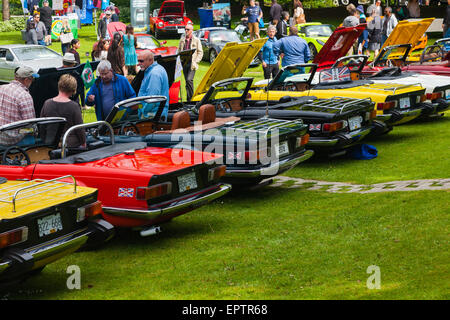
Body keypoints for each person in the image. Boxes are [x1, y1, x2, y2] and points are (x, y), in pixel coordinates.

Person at [40, 74, 86, 148]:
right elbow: (80, 129)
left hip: (51, 143)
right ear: (73, 89)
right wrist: (83, 142)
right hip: (70, 144)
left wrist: (44, 141)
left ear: (59, 85)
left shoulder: (47, 103)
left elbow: (42, 126)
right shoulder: (74, 106)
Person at [137, 50, 170, 119]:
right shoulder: (155, 69)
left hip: (152, 115)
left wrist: (144, 111)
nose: (138, 64)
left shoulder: (154, 74)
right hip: (154, 113)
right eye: (138, 61)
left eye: (141, 61)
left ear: (151, 60)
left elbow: (153, 98)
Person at [178, 23, 203, 102]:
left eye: (188, 29)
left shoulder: (196, 40)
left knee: (189, 80)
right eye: (185, 29)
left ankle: (192, 99)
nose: (186, 31)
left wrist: (196, 61)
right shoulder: (182, 40)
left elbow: (200, 52)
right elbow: (179, 51)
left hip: (192, 64)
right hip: (184, 64)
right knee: (187, 82)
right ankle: (189, 100)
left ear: (192, 30)